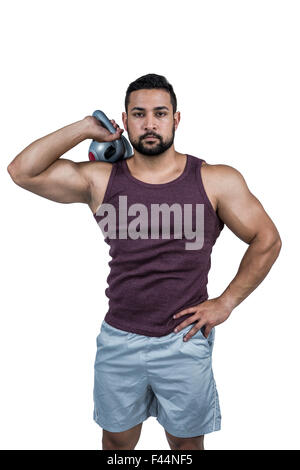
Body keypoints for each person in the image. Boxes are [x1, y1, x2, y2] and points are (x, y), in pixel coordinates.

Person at [7, 73, 282, 450]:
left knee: (186, 448)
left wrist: (226, 302)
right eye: (139, 114)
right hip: (119, 338)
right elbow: (21, 171)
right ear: (125, 119)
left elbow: (266, 239)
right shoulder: (101, 181)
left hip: (183, 339)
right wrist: (86, 127)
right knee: (118, 446)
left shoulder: (216, 180)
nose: (150, 123)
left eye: (160, 113)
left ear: (176, 119)